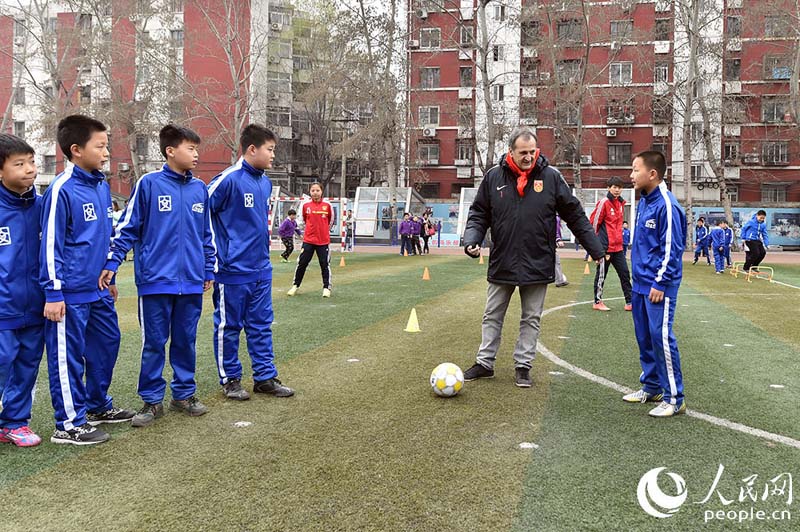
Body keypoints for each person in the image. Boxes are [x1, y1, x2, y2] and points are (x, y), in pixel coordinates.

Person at [462, 127, 604, 388]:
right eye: (522, 152)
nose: (528, 157)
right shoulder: (494, 177)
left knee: (531, 318)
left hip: (537, 260)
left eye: (532, 152)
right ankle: (485, 363)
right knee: (492, 314)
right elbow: (479, 213)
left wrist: (594, 248)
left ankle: (523, 366)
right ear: (511, 152)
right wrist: (472, 240)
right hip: (502, 260)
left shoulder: (551, 177)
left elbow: (574, 214)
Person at [100, 124, 214, 427]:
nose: (196, 155)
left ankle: (184, 394)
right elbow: (127, 228)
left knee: (186, 340)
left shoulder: (199, 189)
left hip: (190, 280)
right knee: (154, 342)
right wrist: (112, 264)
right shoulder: (149, 184)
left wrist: (208, 268)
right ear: (170, 151)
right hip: (154, 281)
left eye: (196, 149)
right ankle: (151, 400)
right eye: (191, 149)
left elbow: (206, 235)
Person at [40, 115, 134, 445]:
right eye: (101, 146)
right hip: (69, 294)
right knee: (67, 356)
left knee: (107, 345)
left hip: (97, 291)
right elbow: (50, 244)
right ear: (76, 150)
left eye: (107, 145)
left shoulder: (99, 186)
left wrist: (109, 274)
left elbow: (104, 236)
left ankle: (97, 405)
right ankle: (68, 423)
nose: (107, 152)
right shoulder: (61, 190)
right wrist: (53, 292)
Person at [208, 124, 294, 399]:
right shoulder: (227, 180)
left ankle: (265, 377)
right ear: (252, 149)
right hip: (232, 269)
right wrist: (216, 256)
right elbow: (200, 215)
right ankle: (230, 379)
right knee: (229, 326)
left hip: (260, 268)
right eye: (270, 150)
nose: (273, 156)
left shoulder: (265, 182)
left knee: (261, 324)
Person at [623, 151, 686, 417]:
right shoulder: (645, 202)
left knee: (661, 338)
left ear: (652, 174)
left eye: (635, 170)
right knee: (644, 337)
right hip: (640, 284)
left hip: (658, 286)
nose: (631, 175)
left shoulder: (667, 205)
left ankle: (674, 398)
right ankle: (652, 386)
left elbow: (673, 250)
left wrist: (660, 283)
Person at [0, 134, 45, 447]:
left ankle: (15, 423)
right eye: (20, 164)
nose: (30, 169)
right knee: (2, 362)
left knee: (27, 365)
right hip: (3, 306)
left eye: (32, 162)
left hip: (36, 306)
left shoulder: (43, 206)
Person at [590, 176, 633, 311]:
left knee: (625, 273)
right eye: (614, 187)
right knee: (602, 275)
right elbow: (594, 223)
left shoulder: (621, 204)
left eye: (619, 187)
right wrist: (595, 247)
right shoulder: (604, 202)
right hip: (605, 247)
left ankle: (630, 302)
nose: (617, 190)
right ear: (608, 188)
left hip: (618, 247)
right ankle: (597, 302)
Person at [287, 182, 334, 298]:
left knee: (324, 264)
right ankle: (295, 285)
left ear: (321, 191)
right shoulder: (306, 206)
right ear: (310, 192)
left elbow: (331, 221)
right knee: (302, 263)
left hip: (323, 241)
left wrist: (323, 231)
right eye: (313, 190)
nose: (315, 193)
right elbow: (302, 222)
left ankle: (326, 287)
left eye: (317, 190)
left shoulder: (327, 206)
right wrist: (307, 232)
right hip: (308, 240)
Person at [554, 216, 569, 287]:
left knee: (556, 261)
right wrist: (558, 239)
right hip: (548, 244)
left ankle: (560, 280)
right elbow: (555, 230)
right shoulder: (556, 218)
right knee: (556, 261)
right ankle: (559, 280)